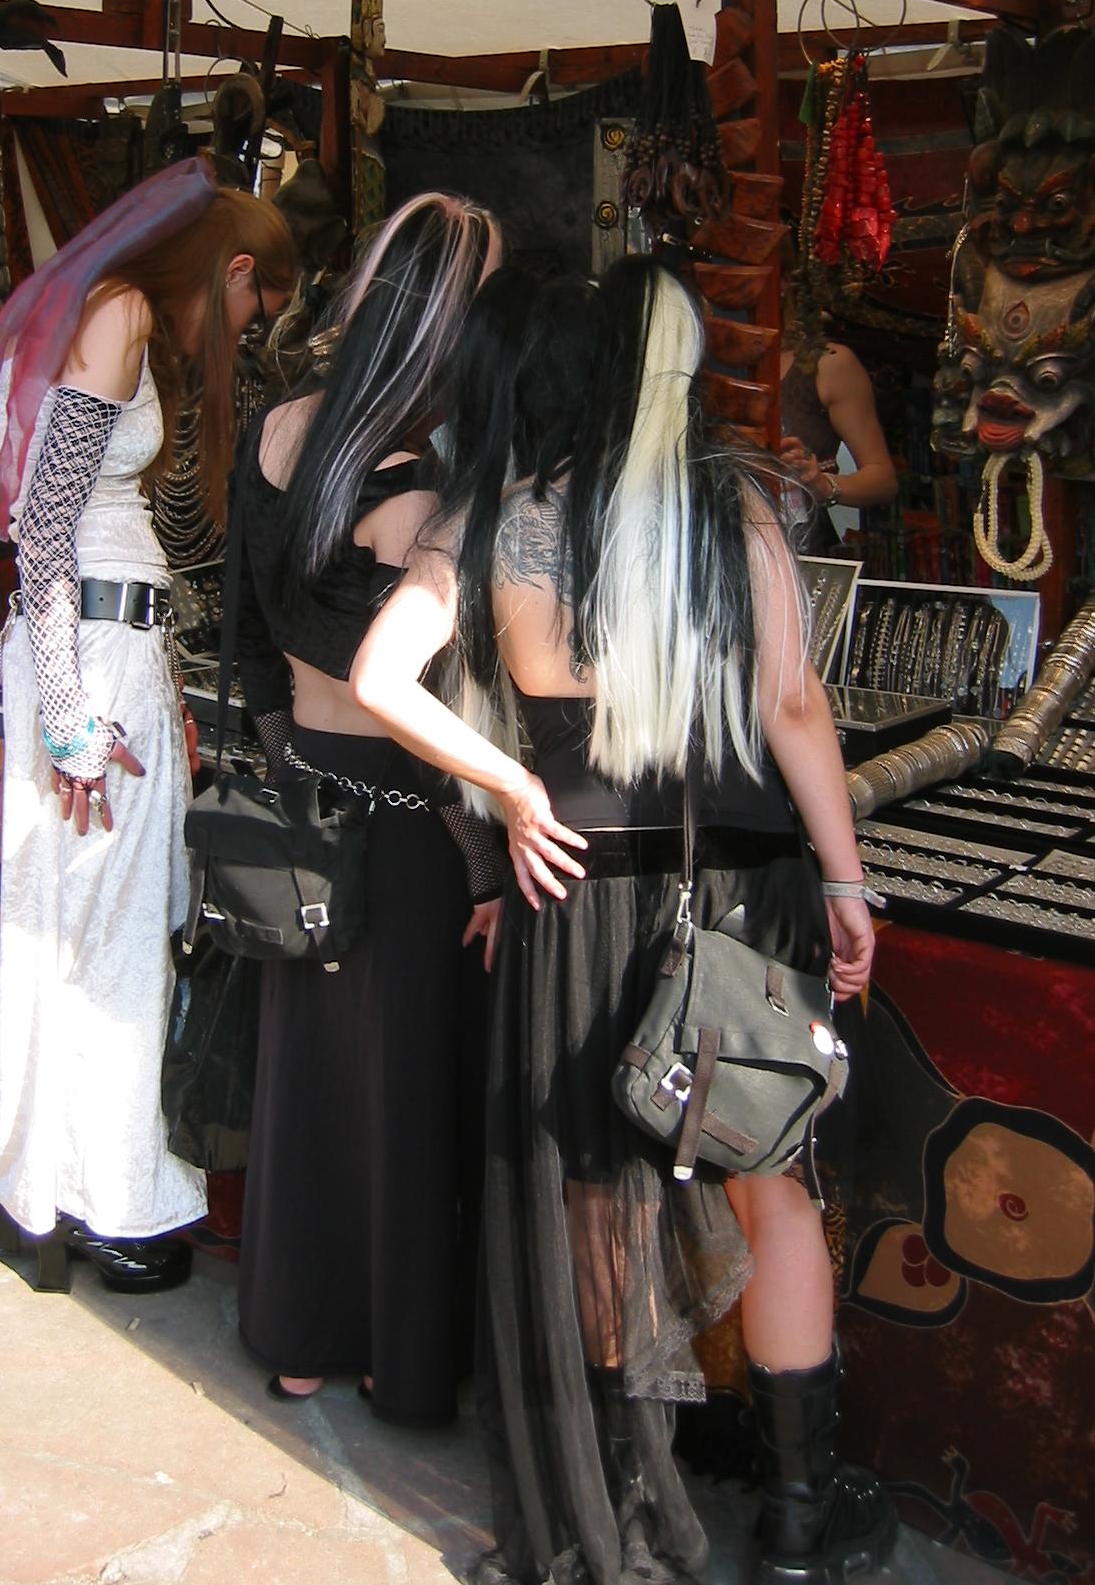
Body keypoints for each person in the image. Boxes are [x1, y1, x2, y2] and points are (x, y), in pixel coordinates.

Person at [351, 257, 896, 1585]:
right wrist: (847, 882)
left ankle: (621, 1500)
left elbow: (381, 679)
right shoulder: (732, 504)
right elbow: (794, 706)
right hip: (741, 891)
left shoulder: (496, 516)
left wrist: (512, 786)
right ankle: (798, 1516)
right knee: (771, 1184)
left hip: (578, 894)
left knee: (598, 1195)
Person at [0, 156, 294, 1293]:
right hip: (88, 645)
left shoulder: (106, 312)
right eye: (257, 301)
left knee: (85, 922)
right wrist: (74, 719)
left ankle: (58, 1187)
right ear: (234, 269)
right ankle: (92, 1194)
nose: (248, 324)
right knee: (108, 927)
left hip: (100, 646)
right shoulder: (122, 313)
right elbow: (44, 529)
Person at [231, 193, 509, 1425]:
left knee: (307, 1079)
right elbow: (425, 697)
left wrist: (289, 762)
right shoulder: (434, 480)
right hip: (410, 815)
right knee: (405, 1086)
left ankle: (299, 1336)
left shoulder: (277, 432)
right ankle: (398, 1350)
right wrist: (485, 850)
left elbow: (250, 639)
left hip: (305, 787)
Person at [777, 300, 897, 553]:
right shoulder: (700, 357)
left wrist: (823, 485)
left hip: (798, 550)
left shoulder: (827, 364)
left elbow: (882, 478)